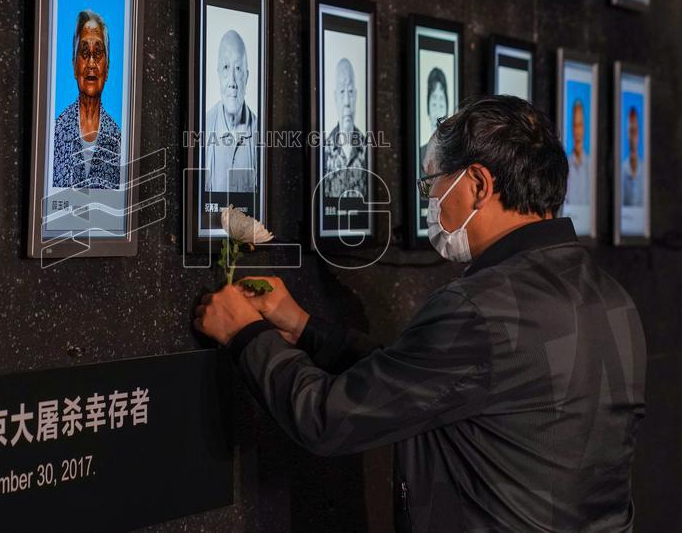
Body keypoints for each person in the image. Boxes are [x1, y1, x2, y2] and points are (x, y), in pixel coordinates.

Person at [194, 95, 646, 531]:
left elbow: (328, 419)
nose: (430, 200)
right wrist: (305, 329)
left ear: (478, 186)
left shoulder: (479, 309)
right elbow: (434, 381)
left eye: (432, 183)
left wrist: (246, 334)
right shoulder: (612, 298)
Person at [52, 10, 121, 190]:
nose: (91, 63)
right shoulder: (55, 132)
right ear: (75, 65)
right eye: (84, 52)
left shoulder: (118, 138)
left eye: (98, 53)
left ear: (107, 69)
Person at [205, 30, 258, 194]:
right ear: (219, 74)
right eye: (226, 67)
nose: (232, 82)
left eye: (238, 68)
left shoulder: (261, 133)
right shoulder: (203, 128)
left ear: (247, 77)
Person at [323, 58, 367, 199]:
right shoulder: (324, 151)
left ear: (356, 95)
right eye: (342, 92)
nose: (347, 102)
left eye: (350, 91)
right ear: (335, 97)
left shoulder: (368, 150)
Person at [418, 67, 448, 170]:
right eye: (434, 104)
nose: (438, 112)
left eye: (441, 105)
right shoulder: (420, 153)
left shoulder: (456, 154)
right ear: (428, 108)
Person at [566, 98, 590, 205]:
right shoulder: (565, 165)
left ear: (584, 127)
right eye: (575, 125)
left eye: (580, 125)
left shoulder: (591, 164)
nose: (577, 131)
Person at [622, 106, 644, 206]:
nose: (633, 136)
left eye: (635, 131)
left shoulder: (645, 170)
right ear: (627, 134)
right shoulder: (622, 170)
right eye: (631, 131)